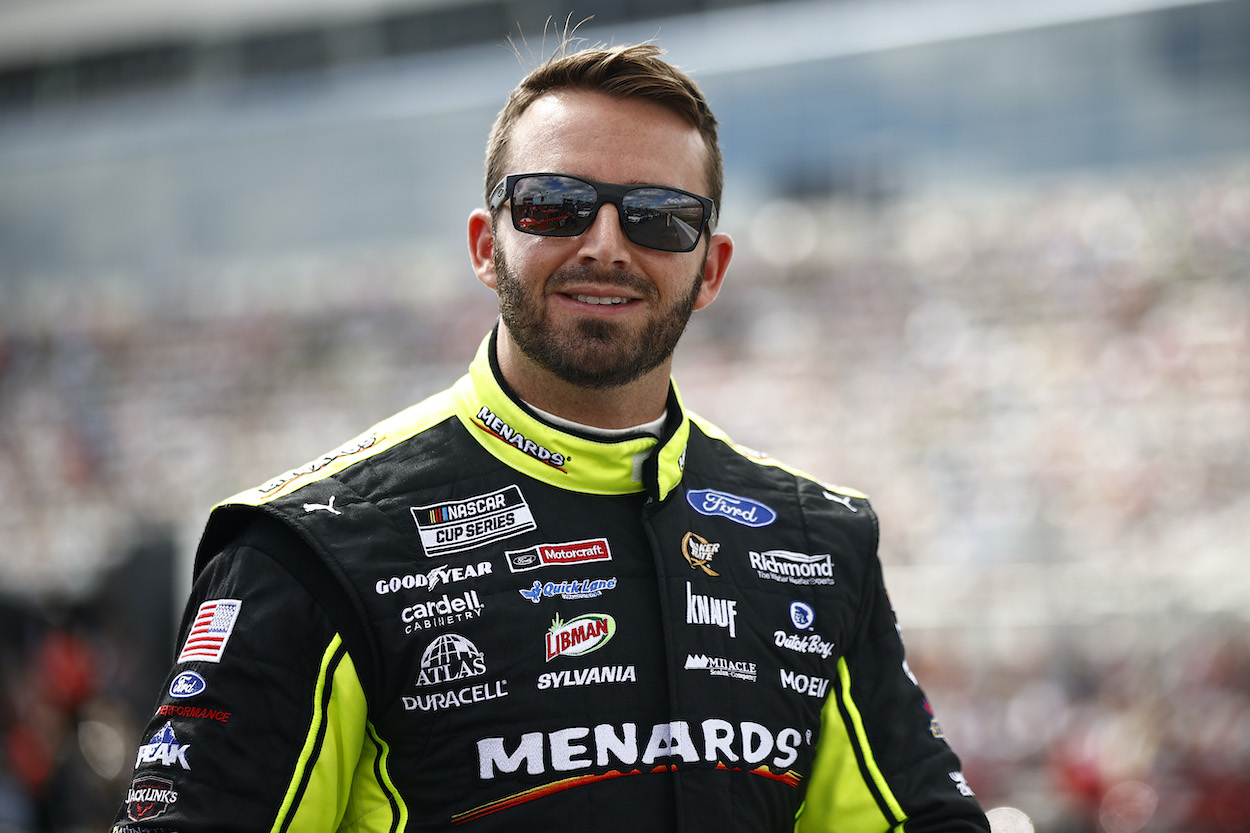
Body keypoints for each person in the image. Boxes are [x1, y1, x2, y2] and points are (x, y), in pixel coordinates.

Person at [112, 40, 990, 833]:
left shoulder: (820, 539)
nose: (605, 244)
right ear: (486, 246)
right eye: (554, 206)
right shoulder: (306, 547)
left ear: (710, 267)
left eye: (659, 216)